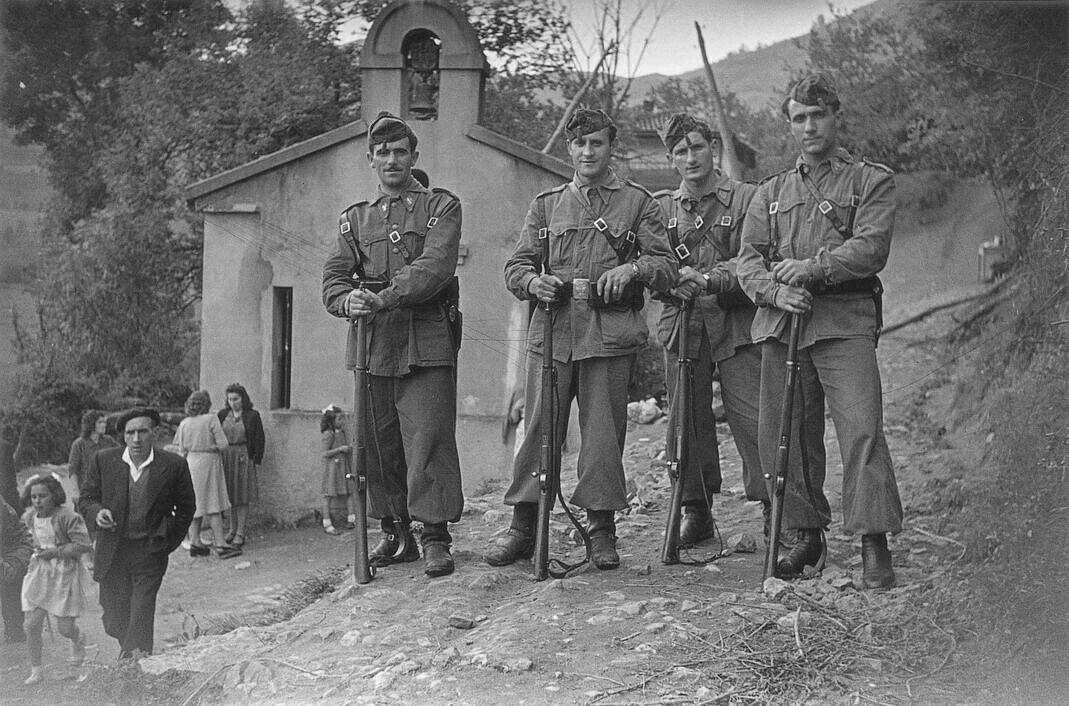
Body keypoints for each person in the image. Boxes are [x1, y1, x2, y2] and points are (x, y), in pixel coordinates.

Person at [486, 108, 675, 570]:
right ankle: (524, 526)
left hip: (608, 336)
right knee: (538, 429)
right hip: (552, 334)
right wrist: (533, 284)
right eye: (579, 144)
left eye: (597, 143)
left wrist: (633, 268)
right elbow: (516, 267)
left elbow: (666, 267)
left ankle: (601, 529)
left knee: (603, 434)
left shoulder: (638, 204)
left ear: (611, 148)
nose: (587, 152)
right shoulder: (547, 205)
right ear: (569, 148)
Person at [736, 73, 902, 588]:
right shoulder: (770, 193)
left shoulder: (870, 181)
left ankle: (874, 540)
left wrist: (814, 268)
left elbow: (871, 247)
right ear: (789, 124)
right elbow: (747, 261)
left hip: (842, 322)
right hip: (783, 323)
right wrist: (773, 291)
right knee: (785, 436)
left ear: (835, 116)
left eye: (817, 115)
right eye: (798, 118)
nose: (809, 126)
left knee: (862, 429)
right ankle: (805, 536)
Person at [323, 111, 463, 578]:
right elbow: (333, 281)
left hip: (425, 340)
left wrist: (379, 297)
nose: (391, 159)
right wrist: (349, 301)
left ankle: (435, 535)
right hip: (372, 345)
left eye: (400, 150)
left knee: (428, 437)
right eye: (382, 152)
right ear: (370, 159)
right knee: (376, 443)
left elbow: (434, 269)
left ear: (414, 156)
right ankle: (394, 530)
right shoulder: (353, 220)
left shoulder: (441, 207)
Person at [652, 113, 765, 546]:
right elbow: (651, 259)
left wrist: (714, 277)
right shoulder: (660, 208)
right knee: (686, 422)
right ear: (671, 158)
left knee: (754, 416)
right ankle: (695, 508)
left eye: (697, 147)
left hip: (736, 320)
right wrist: (667, 279)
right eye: (681, 151)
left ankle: (775, 506)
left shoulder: (746, 199)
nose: (690, 157)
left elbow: (757, 258)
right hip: (682, 322)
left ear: (713, 148)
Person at [78, 407, 195, 657]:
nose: (137, 439)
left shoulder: (173, 465)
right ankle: (133, 651)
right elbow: (86, 498)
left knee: (141, 609)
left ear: (154, 433)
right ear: (123, 436)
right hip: (114, 550)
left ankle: (133, 665)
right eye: (131, 433)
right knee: (113, 616)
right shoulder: (104, 460)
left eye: (143, 431)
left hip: (150, 550)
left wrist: (166, 541)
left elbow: (186, 508)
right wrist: (97, 513)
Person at [19, 473, 91, 684]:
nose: (38, 501)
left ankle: (78, 639)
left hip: (64, 573)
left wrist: (56, 552)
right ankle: (36, 669)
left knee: (64, 628)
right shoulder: (29, 518)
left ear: (55, 495)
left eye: (43, 496)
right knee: (31, 624)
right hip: (40, 572)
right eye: (34, 497)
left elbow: (83, 544)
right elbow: (27, 540)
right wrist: (34, 551)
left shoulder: (68, 516)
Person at [173, 391, 240, 559]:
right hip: (209, 462)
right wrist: (211, 447)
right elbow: (223, 444)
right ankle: (220, 544)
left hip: (191, 462)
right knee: (213, 502)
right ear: (206, 404)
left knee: (195, 503)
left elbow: (181, 449)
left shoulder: (184, 423)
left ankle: (195, 542)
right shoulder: (211, 419)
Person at [217, 383, 265, 549]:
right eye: (230, 399)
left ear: (243, 398)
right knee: (230, 495)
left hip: (244, 456)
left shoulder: (252, 415)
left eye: (236, 399)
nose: (232, 402)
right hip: (226, 457)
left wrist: (255, 459)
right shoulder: (223, 414)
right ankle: (231, 529)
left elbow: (259, 438)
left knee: (242, 495)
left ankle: (240, 532)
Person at [319, 405, 357, 535]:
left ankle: (352, 519)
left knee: (350, 491)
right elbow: (325, 453)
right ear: (331, 421)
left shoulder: (342, 432)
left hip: (343, 467)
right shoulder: (329, 435)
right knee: (328, 495)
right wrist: (340, 449)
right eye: (339, 419)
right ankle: (327, 523)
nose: (342, 422)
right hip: (333, 469)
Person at [67, 410, 119, 502]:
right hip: (86, 492)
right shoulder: (79, 444)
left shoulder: (109, 440)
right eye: (100, 422)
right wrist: (75, 492)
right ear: (91, 424)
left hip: (106, 491)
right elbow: (72, 470)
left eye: (105, 422)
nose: (104, 425)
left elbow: (122, 456)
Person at [1, 497, 32, 644]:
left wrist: (11, 563)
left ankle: (14, 627)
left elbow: (21, 537)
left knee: (9, 570)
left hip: (12, 550)